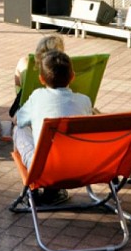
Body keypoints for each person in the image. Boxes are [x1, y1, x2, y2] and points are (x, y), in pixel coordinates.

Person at [13, 50, 92, 205]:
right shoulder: (85, 101)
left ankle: (33, 188)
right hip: (79, 167)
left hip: (43, 168)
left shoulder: (37, 97)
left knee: (19, 129)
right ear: (73, 76)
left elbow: (19, 120)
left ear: (41, 79)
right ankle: (53, 193)